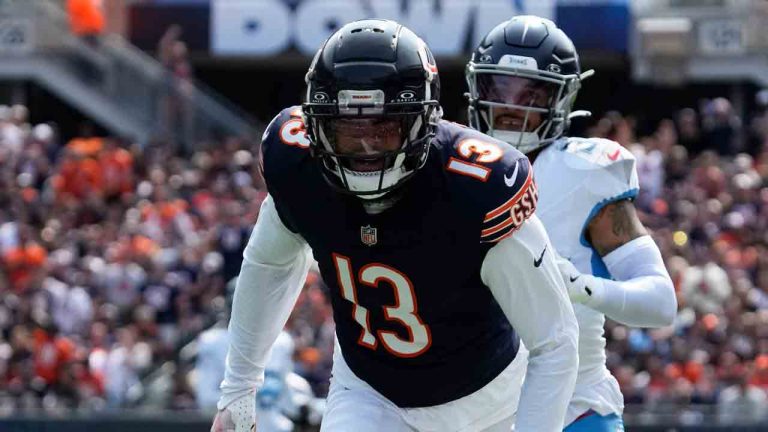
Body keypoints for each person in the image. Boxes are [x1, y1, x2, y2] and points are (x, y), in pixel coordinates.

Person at [212, 19, 578, 432]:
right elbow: (269, 265)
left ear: (423, 122)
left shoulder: (479, 188)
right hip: (370, 391)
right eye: (348, 132)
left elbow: (555, 343)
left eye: (383, 130)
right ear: (316, 126)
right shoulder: (298, 167)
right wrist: (239, 386)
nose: (366, 149)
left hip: (488, 404)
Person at [465, 15, 678, 431]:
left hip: (575, 409)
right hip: (474, 412)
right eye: (499, 88)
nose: (511, 106)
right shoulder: (444, 165)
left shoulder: (587, 171)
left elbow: (660, 303)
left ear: (561, 98)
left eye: (531, 93)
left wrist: (581, 288)